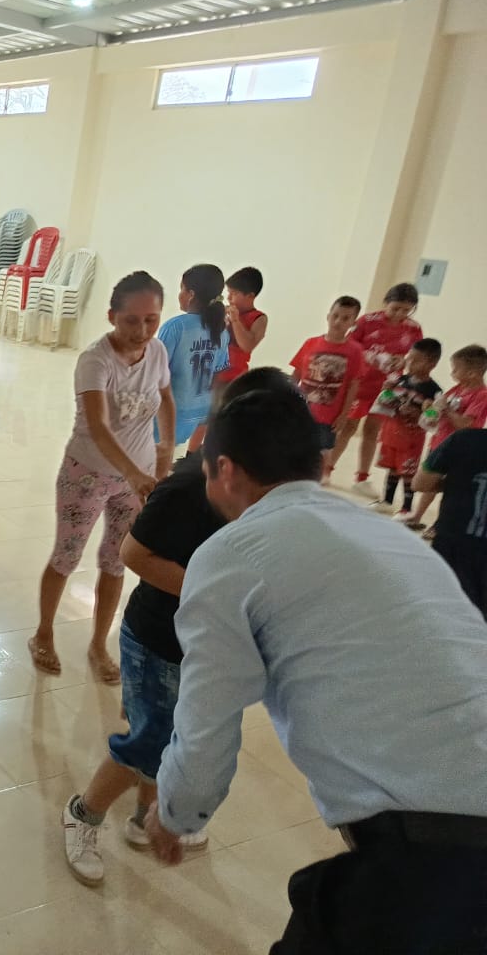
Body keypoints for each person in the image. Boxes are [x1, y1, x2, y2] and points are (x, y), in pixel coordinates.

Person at [141, 385, 487, 955]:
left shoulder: (231, 553)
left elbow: (208, 724)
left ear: (225, 470)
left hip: (433, 861)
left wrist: (175, 814)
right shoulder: (389, 535)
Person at [61, 367, 296, 886]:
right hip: (157, 640)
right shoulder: (191, 484)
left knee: (170, 734)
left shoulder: (266, 488)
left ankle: (149, 813)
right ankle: (83, 813)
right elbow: (134, 554)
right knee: (150, 741)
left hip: (201, 642)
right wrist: (211, 591)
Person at [28, 271, 175, 682]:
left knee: (116, 561)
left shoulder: (157, 351)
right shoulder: (95, 360)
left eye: (151, 320)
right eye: (131, 320)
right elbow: (97, 425)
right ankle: (43, 633)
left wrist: (165, 451)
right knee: (67, 555)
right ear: (112, 316)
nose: (142, 331)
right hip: (87, 474)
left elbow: (166, 398)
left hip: (136, 480)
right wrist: (134, 473)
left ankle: (98, 644)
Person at [328, 282, 423, 492]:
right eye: (395, 308)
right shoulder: (367, 321)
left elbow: (415, 355)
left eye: (406, 310)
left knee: (372, 430)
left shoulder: (414, 328)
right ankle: (327, 469)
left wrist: (403, 361)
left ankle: (362, 478)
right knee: (348, 427)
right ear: (386, 303)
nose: (400, 314)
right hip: (360, 384)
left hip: (387, 387)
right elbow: (350, 344)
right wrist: (370, 356)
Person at [404, 344, 487, 531]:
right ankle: (417, 516)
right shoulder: (458, 389)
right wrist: (430, 407)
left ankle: (440, 524)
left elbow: (466, 424)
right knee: (429, 481)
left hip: (460, 449)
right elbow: (438, 408)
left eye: (456, 370)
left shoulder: (482, 395)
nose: (452, 373)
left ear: (472, 373)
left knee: (450, 487)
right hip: (439, 443)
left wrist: (447, 409)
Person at [186, 266, 266, 451]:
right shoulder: (223, 312)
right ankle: (191, 456)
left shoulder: (259, 318)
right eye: (228, 293)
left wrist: (236, 321)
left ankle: (212, 456)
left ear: (250, 296)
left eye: (234, 293)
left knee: (220, 422)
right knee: (202, 418)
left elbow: (248, 345)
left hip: (233, 379)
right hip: (212, 373)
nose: (229, 298)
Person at [413, 427, 487, 617]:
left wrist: (458, 483)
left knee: (440, 614)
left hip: (452, 548)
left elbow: (420, 483)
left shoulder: (462, 439)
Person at [156, 264, 229, 448]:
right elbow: (217, 375)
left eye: (181, 288)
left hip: (170, 414)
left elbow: (155, 373)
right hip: (198, 414)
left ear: (191, 294)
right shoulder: (221, 331)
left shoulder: (175, 327)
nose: (179, 294)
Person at [289, 295, 365, 466]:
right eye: (335, 316)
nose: (338, 322)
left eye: (345, 318)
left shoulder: (355, 351)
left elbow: (353, 385)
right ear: (328, 316)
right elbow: (296, 374)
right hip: (302, 411)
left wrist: (344, 415)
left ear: (353, 323)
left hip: (329, 416)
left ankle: (318, 477)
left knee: (321, 454)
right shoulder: (311, 343)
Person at [372, 337, 441, 518]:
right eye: (409, 358)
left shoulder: (434, 391)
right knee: (392, 468)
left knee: (407, 473)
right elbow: (385, 401)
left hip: (411, 439)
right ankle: (387, 501)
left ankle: (406, 508)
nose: (409, 363)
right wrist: (387, 390)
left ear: (432, 364)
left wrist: (419, 413)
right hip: (392, 432)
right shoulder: (401, 380)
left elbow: (433, 419)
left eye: (416, 360)